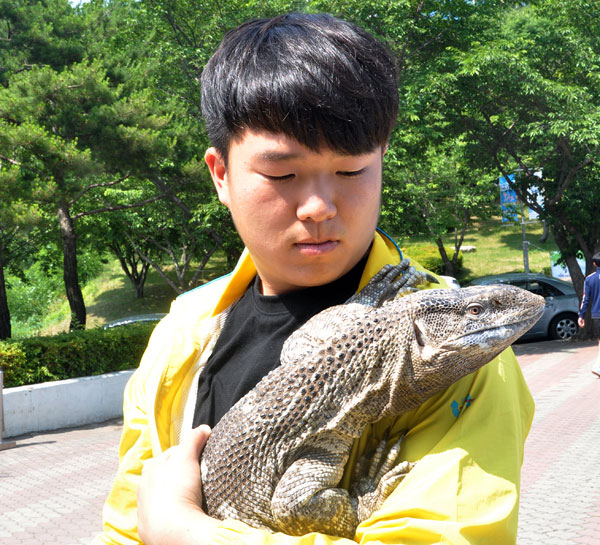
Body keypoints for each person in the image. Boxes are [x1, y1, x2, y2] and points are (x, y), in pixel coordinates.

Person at [97, 12, 534, 545]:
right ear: (220, 174)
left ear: (382, 161)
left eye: (351, 170)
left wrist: (184, 532)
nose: (319, 206)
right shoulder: (180, 336)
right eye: (282, 174)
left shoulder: (460, 356)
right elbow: (122, 527)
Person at [578, 252, 600, 378]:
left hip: (597, 315)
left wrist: (581, 315)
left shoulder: (589, 279)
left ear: (594, 264)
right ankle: (597, 366)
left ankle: (598, 366)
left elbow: (585, 299)